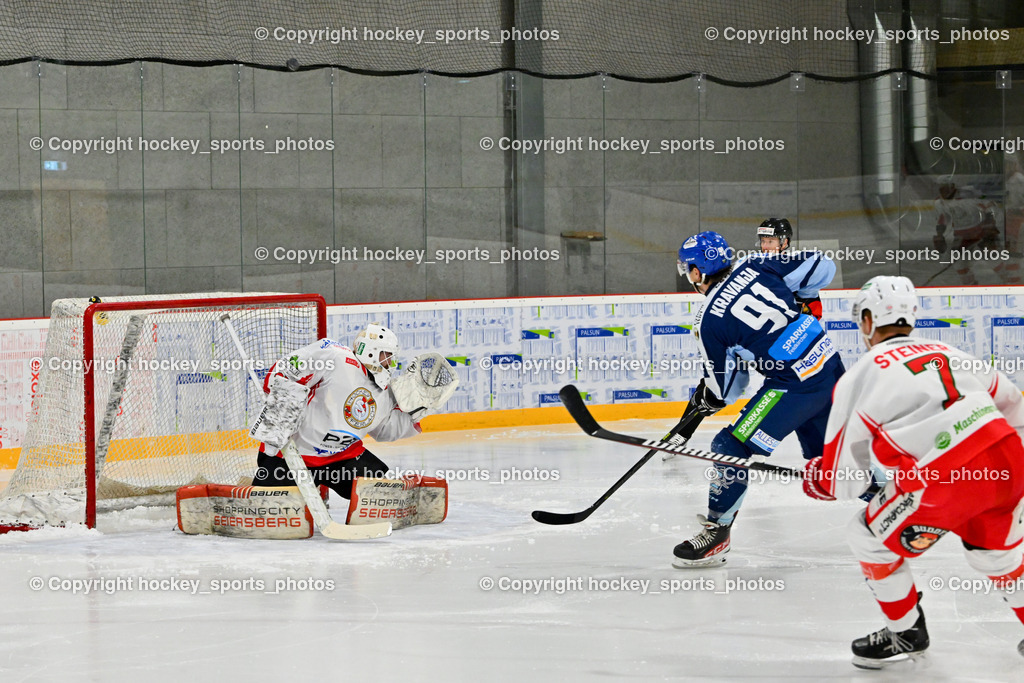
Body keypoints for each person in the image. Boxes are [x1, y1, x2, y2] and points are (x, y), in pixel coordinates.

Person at [803, 275, 1024, 668]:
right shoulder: (947, 350)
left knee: (866, 534)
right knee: (996, 555)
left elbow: (843, 480)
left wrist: (820, 480)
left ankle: (906, 633)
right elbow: (1011, 402)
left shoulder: (861, 374)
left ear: (868, 320)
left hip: (945, 478)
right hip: (1007, 458)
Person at [672, 230, 843, 567]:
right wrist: (803, 299)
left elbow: (729, 388)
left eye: (688, 269)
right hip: (829, 364)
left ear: (697, 272)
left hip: (794, 385)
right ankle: (895, 497)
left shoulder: (708, 322)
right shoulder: (758, 264)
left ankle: (717, 534)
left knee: (729, 446)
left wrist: (708, 397)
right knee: (835, 461)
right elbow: (824, 266)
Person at [250, 323, 425, 499]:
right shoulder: (334, 356)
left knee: (380, 495)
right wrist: (283, 411)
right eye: (386, 356)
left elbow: (385, 429)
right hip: (293, 455)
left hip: (342, 458)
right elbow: (280, 374)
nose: (390, 363)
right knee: (272, 507)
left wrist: (417, 413)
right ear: (371, 350)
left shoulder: (383, 389)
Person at [756, 217, 822, 320]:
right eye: (763, 241)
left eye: (770, 241)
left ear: (784, 242)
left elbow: (814, 313)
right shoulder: (754, 268)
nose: (765, 246)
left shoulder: (798, 270)